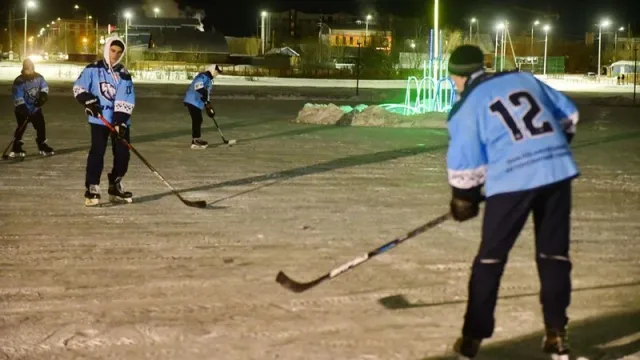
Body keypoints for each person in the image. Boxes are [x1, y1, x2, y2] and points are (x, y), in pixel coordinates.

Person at [445, 45, 580, 360]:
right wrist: (545, 151)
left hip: (511, 183)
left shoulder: (466, 107)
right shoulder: (524, 79)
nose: (454, 85)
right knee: (554, 256)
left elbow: (464, 166)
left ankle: (472, 339)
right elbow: (570, 115)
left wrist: (464, 200)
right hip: (556, 172)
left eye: (454, 79)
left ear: (461, 76)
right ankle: (556, 335)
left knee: (490, 260)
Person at [72, 36, 135, 206]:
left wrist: (120, 121)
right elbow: (79, 88)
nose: (115, 54)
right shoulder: (92, 69)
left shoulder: (124, 74)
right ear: (107, 49)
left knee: (123, 154)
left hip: (119, 122)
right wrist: (89, 101)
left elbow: (126, 98)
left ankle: (115, 185)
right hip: (99, 120)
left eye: (119, 52)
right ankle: (92, 186)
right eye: (113, 50)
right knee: (97, 152)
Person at [9, 58, 54, 157]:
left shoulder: (39, 77)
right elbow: (17, 96)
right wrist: (23, 108)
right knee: (21, 127)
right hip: (22, 110)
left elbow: (44, 87)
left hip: (35, 109)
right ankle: (16, 146)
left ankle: (42, 143)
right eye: (28, 69)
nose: (30, 70)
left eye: (32, 68)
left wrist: (42, 97)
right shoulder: (19, 81)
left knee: (41, 126)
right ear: (24, 69)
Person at [183, 64, 222, 149]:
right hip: (192, 100)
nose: (217, 74)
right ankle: (195, 140)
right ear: (212, 70)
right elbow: (198, 87)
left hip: (197, 102)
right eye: (216, 72)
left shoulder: (209, 80)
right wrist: (204, 96)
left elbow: (206, 94)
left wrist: (208, 105)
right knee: (197, 119)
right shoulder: (203, 76)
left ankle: (196, 139)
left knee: (198, 119)